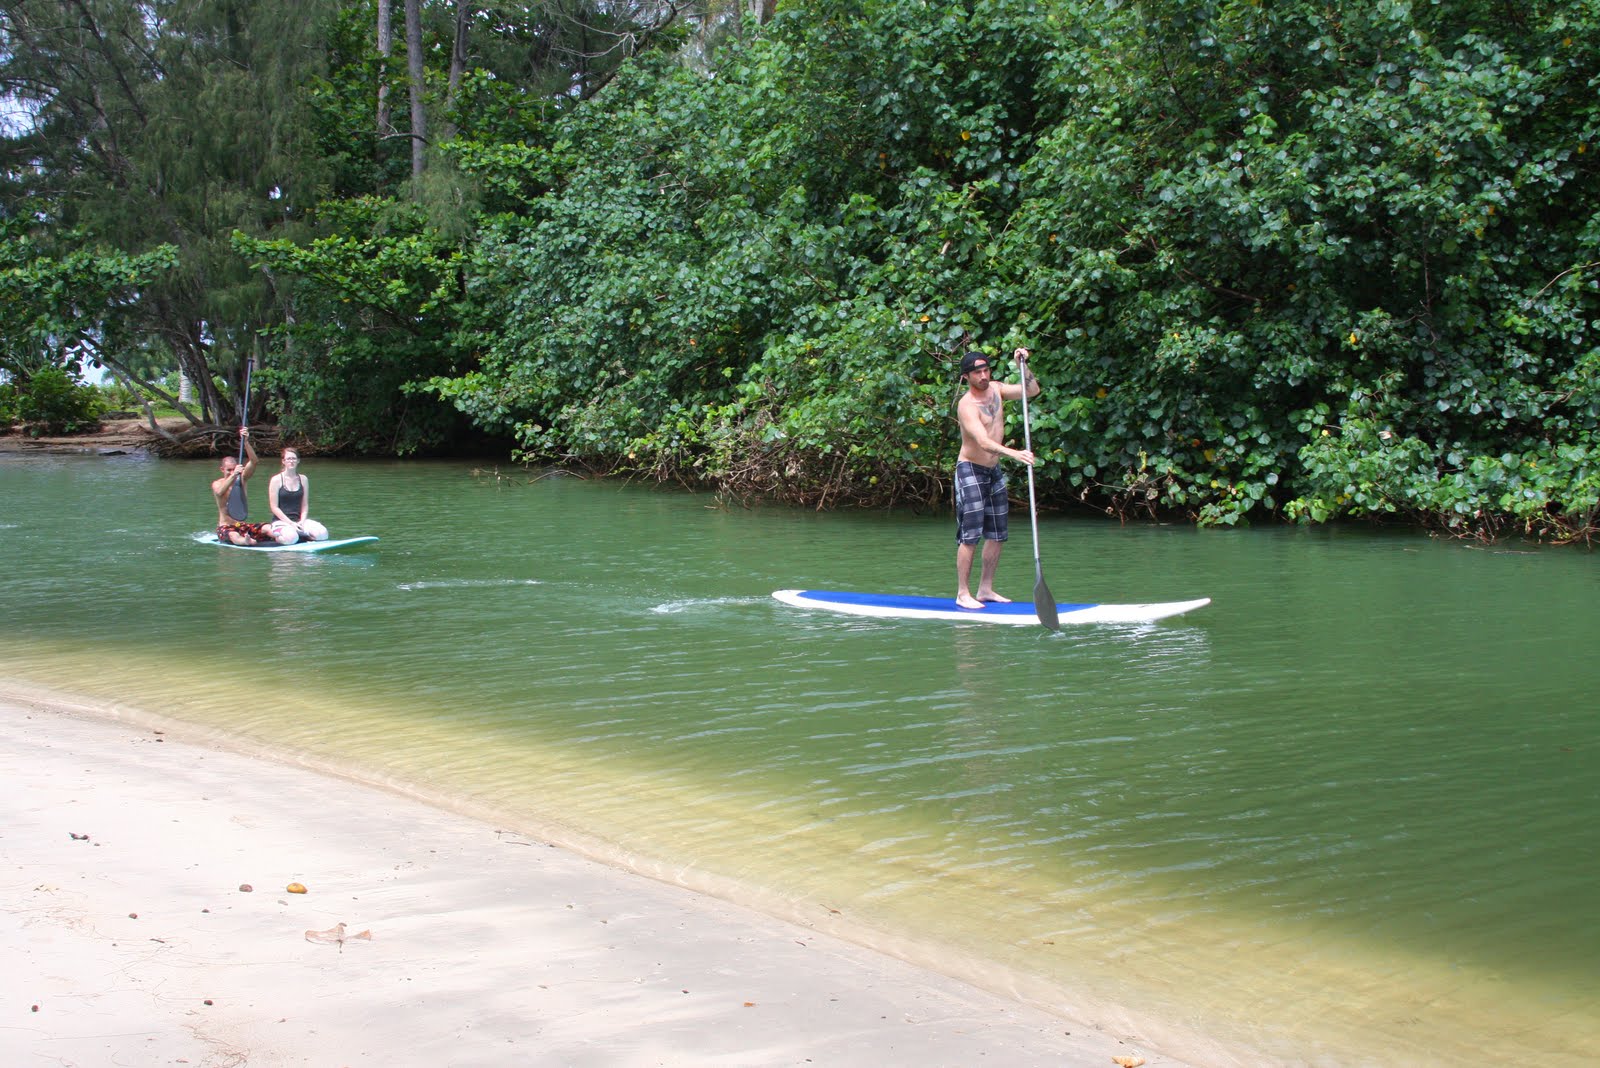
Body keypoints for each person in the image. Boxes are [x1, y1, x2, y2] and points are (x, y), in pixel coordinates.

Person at [953, 347, 1040, 610]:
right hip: (970, 469)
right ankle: (963, 593)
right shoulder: (967, 406)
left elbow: (1032, 390)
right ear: (966, 376)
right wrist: (1016, 454)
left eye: (985, 370)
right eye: (977, 372)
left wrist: (1021, 365)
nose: (983, 375)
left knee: (997, 533)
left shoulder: (998, 390)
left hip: (993, 471)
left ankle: (986, 588)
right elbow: (982, 441)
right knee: (970, 534)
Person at [211, 427, 279, 546]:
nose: (232, 472)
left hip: (241, 525)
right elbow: (220, 492)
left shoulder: (242, 479)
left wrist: (246, 442)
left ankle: (284, 536)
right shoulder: (217, 483)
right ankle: (246, 541)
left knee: (267, 527)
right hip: (226, 527)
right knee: (234, 535)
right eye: (229, 470)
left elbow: (254, 461)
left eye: (234, 469)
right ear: (222, 470)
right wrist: (234, 475)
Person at [267, 447, 329, 544]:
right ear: (283, 461)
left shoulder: (303, 479)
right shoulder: (276, 480)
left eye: (294, 459)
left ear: (298, 461)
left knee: (323, 534)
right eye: (288, 459)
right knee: (291, 538)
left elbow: (304, 505)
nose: (291, 461)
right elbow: (274, 507)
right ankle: (277, 537)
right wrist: (291, 523)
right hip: (281, 522)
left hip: (299, 521)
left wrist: (302, 521)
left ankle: (302, 535)